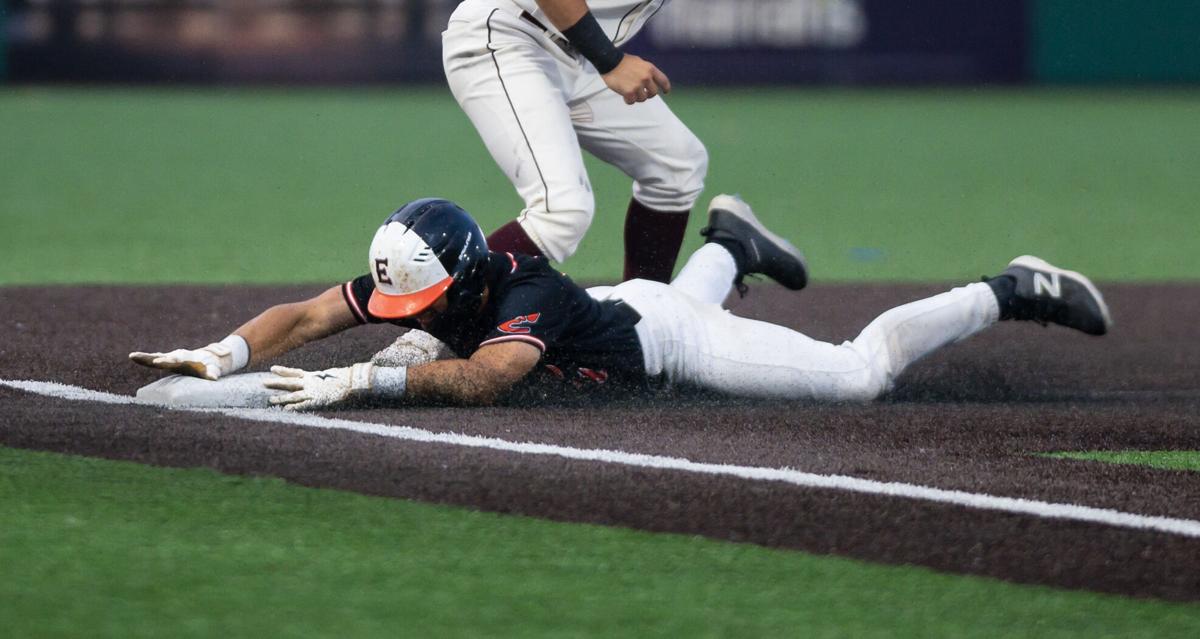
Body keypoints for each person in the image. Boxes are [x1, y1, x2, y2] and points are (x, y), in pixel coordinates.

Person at [130, 195, 1110, 411]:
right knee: (391, 349)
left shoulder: (524, 292)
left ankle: (1007, 287)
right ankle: (731, 244)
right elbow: (305, 317)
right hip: (628, 302)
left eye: (427, 292)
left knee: (857, 377)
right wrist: (221, 354)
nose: (406, 306)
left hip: (673, 341)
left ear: (467, 271)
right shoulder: (429, 277)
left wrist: (360, 383)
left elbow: (486, 378)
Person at [442, 0, 704, 283]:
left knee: (676, 166)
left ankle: (645, 313)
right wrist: (610, 60)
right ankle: (435, 319)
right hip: (509, 34)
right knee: (562, 213)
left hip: (576, 55)